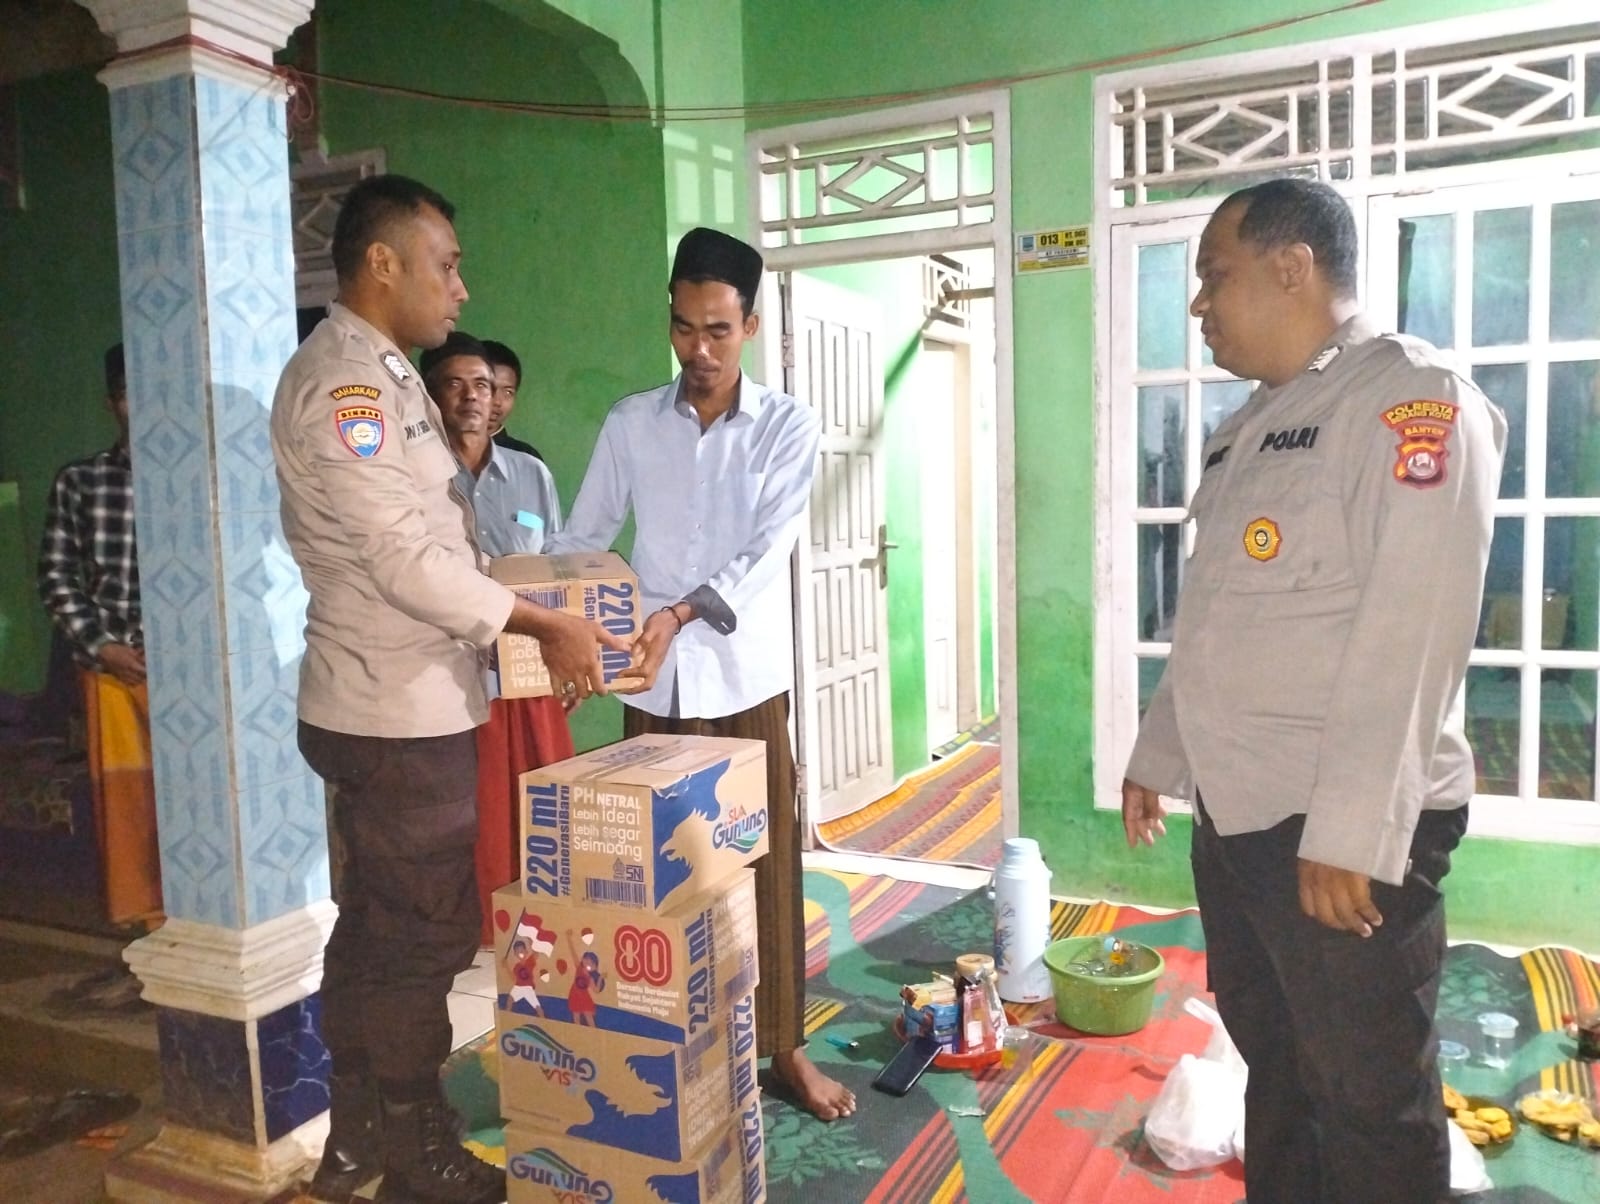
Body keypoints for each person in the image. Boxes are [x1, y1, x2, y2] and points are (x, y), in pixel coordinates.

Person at [1121, 178, 1506, 1204]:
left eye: (1214, 276)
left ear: (1292, 268)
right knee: (1278, 1064)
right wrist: (1161, 755)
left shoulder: (1411, 403)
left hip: (1335, 830)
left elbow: (1413, 631)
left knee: (1368, 1093)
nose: (1198, 303)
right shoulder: (1251, 427)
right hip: (1241, 813)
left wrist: (1352, 830)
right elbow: (1215, 615)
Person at [271, 173, 628, 1204]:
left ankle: (354, 1139)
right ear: (382, 264)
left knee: (376, 929)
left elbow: (442, 548)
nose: (460, 288)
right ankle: (413, 1149)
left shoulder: (382, 377)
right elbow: (406, 564)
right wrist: (544, 623)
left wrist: (537, 620)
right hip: (396, 710)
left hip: (393, 695)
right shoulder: (348, 388)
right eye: (447, 264)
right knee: (420, 938)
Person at [549, 226, 855, 1121]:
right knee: (656, 871)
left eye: (719, 330)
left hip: (742, 682)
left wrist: (678, 613)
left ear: (750, 326)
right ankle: (671, 1044)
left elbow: (766, 551)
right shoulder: (631, 423)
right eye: (684, 328)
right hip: (650, 686)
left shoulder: (786, 426)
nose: (699, 350)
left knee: (765, 867)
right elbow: (583, 536)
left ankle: (785, 1046)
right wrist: (556, 627)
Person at [419, 331, 571, 945]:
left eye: (481, 385)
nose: (472, 397)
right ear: (430, 395)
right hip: (451, 678)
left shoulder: (531, 474)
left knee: (540, 804)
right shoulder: (415, 476)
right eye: (453, 384)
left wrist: (566, 654)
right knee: (470, 812)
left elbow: (559, 568)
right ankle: (477, 927)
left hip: (529, 674)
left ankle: (539, 920)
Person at [37, 343, 162, 928]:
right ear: (113, 403)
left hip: (192, 668)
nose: (145, 405)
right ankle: (148, 925)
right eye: (130, 394)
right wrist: (102, 646)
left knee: (199, 797)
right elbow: (56, 576)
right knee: (129, 801)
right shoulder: (81, 480)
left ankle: (201, 917)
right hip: (111, 665)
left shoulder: (206, 479)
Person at [482, 339, 542, 461]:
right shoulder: (442, 449)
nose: (497, 402)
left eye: (508, 392)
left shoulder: (526, 458)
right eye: (486, 387)